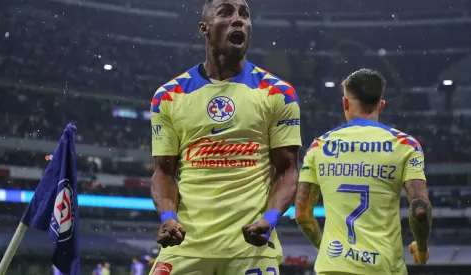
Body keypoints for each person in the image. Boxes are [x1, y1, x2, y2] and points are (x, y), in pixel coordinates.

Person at [149, 0, 301, 273]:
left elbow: (288, 170)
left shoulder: (278, 93)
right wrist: (168, 217)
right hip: (187, 246)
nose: (238, 19)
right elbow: (163, 172)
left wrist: (270, 219)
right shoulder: (168, 96)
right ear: (203, 28)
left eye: (244, 14)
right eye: (226, 12)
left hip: (251, 248)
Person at [294, 69, 432, 275]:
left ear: (345, 104)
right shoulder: (406, 145)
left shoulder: (319, 146)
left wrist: (327, 250)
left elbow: (302, 215)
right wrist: (421, 248)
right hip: (384, 267)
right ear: (381, 105)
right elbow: (420, 210)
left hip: (334, 267)